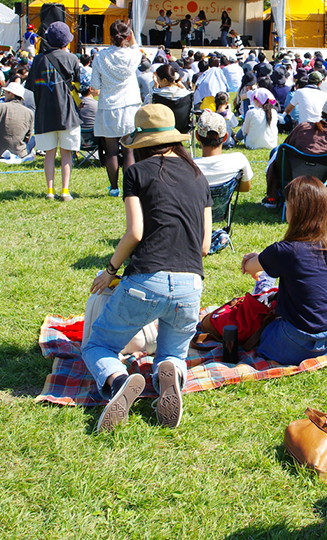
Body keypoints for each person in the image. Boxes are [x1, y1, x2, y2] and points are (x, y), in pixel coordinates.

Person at [81, 104, 210, 432]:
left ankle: (117, 381)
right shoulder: (198, 175)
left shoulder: (136, 173)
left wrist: (109, 271)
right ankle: (169, 372)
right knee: (172, 353)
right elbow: (205, 246)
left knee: (98, 345)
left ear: (141, 142)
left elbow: (135, 233)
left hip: (145, 280)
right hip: (191, 284)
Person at [243, 176, 327, 365]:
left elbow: (250, 267)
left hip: (296, 342)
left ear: (295, 210)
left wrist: (255, 258)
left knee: (265, 319)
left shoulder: (285, 251)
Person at [263, 94, 327, 206]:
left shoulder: (302, 128)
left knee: (276, 150)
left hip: (291, 179)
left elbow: (284, 151)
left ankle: (274, 197)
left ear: (323, 113)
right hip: (317, 183)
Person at [87, 21, 143, 197]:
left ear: (110, 36)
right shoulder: (133, 55)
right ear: (128, 36)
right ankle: (129, 188)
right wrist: (131, 36)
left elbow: (95, 85)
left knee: (110, 151)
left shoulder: (101, 57)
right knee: (128, 151)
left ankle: (114, 188)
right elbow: (135, 47)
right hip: (129, 106)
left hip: (109, 106)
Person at [29, 22, 83, 201]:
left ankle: (50, 190)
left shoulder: (38, 59)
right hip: (68, 113)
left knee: (49, 153)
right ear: (67, 41)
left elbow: (32, 88)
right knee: (66, 153)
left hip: (44, 113)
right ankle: (65, 190)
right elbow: (77, 86)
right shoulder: (73, 59)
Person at [192, 111, 253, 190]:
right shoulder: (239, 160)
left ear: (197, 136)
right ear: (225, 137)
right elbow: (245, 188)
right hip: (224, 202)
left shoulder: (188, 166)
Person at [0, 82, 34, 158]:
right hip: (20, 152)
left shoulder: (0, 107)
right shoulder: (29, 112)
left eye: (6, 92)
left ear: (11, 93)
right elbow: (28, 137)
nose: (4, 94)